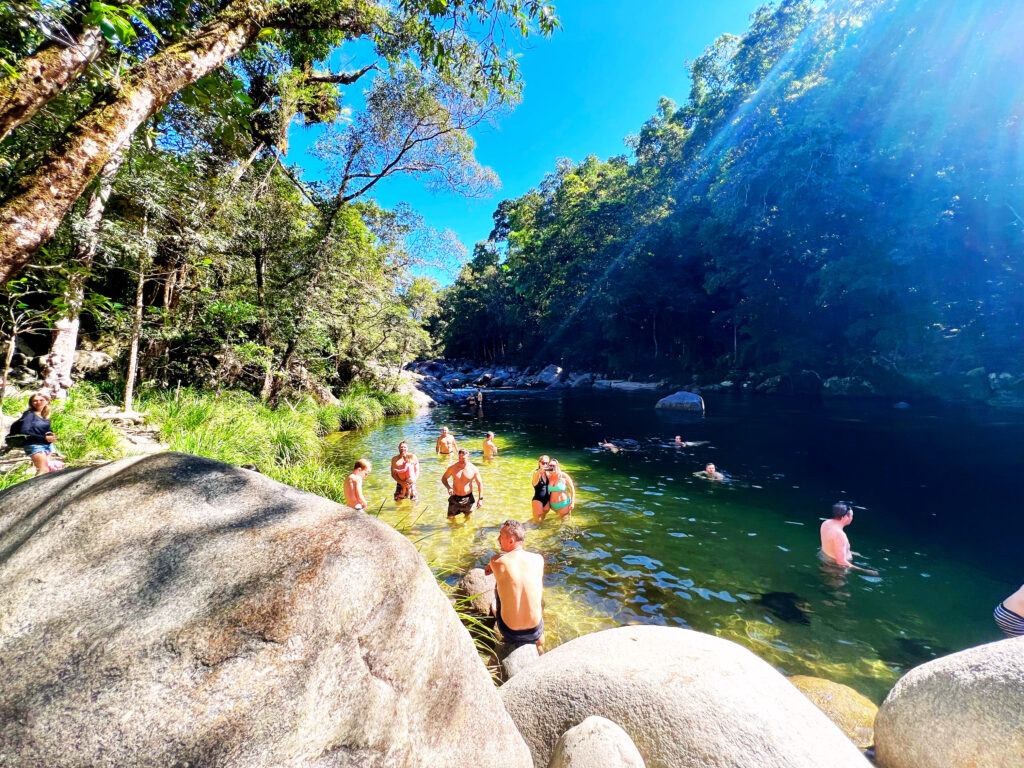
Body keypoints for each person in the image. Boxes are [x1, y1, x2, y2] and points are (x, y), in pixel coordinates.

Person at [485, 519, 545, 647]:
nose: (498, 539)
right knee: (534, 587)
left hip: (510, 632)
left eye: (501, 536)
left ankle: (496, 611)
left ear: (511, 541)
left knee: (499, 584)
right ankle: (540, 640)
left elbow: (488, 571)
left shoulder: (496, 561)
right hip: (535, 631)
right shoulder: (538, 559)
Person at [819, 501, 878, 575]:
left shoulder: (826, 523)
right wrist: (864, 570)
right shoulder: (840, 535)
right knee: (837, 586)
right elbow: (841, 561)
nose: (852, 518)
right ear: (845, 517)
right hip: (835, 568)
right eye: (851, 516)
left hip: (824, 558)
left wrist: (850, 552)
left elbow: (830, 544)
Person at [10, 392, 57, 475]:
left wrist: (51, 435)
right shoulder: (29, 415)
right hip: (35, 445)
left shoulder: (44, 415)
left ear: (47, 401)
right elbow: (24, 432)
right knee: (43, 470)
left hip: (47, 445)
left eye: (41, 400)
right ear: (31, 403)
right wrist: (44, 438)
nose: (38, 402)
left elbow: (46, 429)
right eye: (35, 401)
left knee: (47, 470)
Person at [441, 448, 483, 518]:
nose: (461, 460)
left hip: (468, 499)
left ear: (468, 457)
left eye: (463, 458)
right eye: (459, 457)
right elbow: (444, 478)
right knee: (450, 519)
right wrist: (449, 488)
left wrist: (480, 499)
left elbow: (480, 484)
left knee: (468, 519)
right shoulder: (452, 468)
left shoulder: (473, 469)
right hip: (455, 498)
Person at [531, 454, 552, 520]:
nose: (545, 465)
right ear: (539, 463)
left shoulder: (547, 474)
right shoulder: (536, 473)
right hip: (538, 500)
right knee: (536, 521)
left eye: (547, 463)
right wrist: (541, 470)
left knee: (542, 520)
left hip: (546, 500)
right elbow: (536, 474)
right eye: (543, 463)